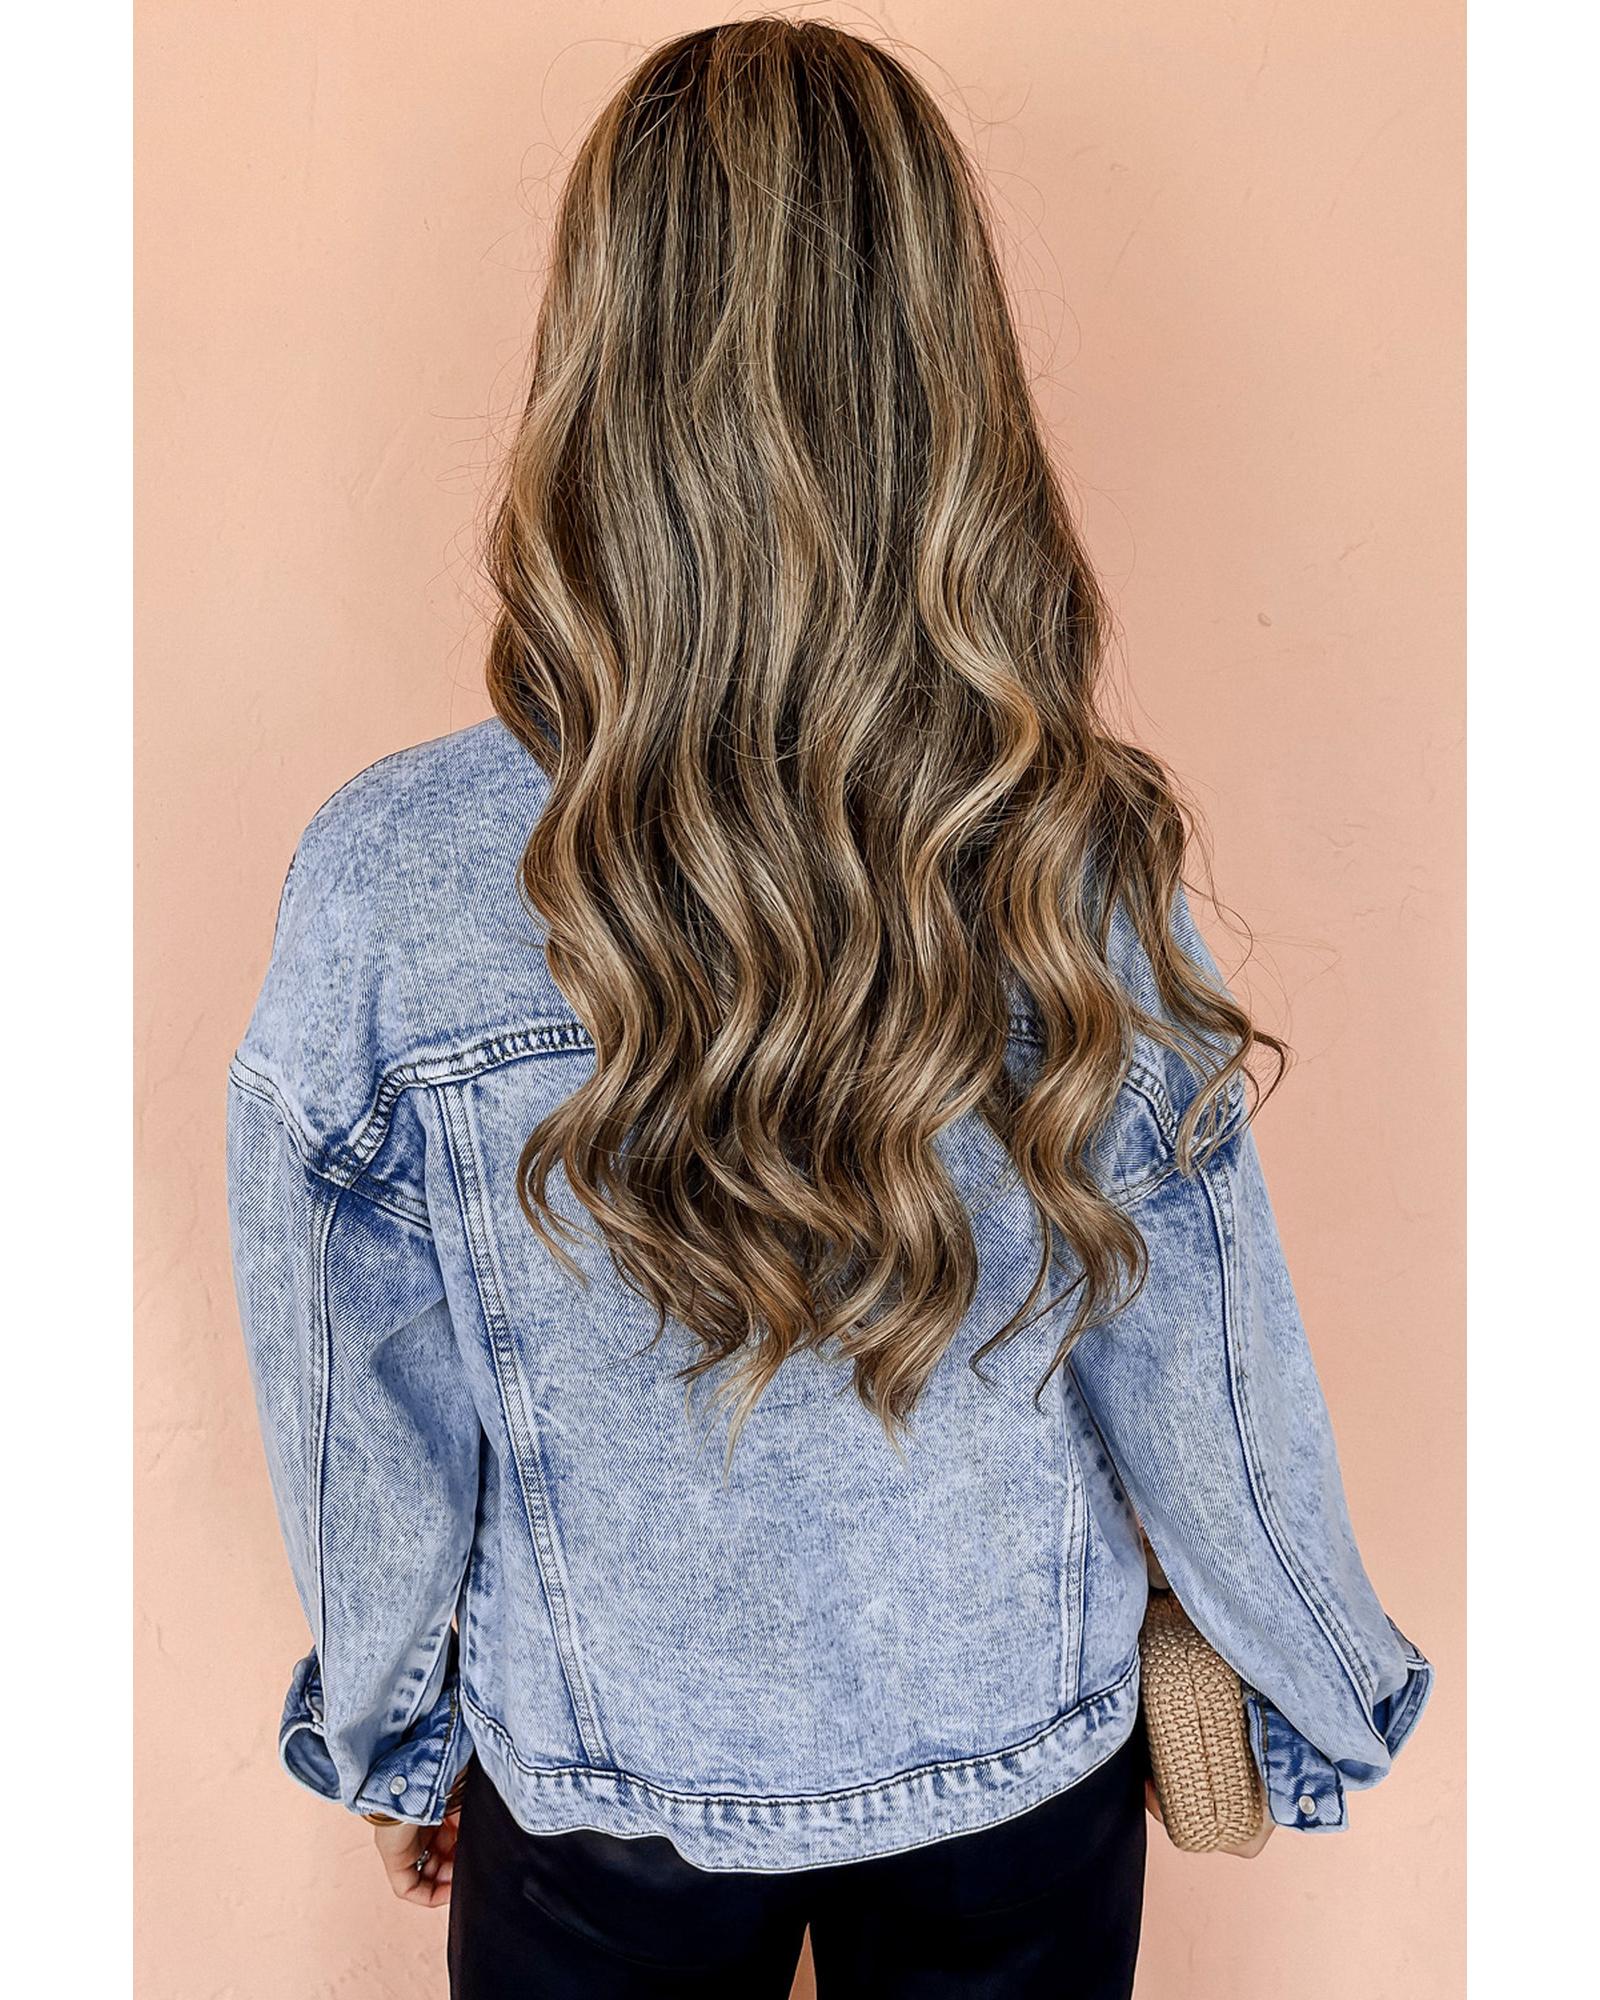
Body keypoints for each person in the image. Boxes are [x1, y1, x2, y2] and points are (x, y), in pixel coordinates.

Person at [224, 17, 1432, 1997]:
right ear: (946, 381)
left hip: (598, 1773)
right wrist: (1314, 1689)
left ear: (591, 367)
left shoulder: (391, 877)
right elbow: (1197, 1358)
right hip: (1016, 1755)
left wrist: (390, 1732)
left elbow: (360, 1404)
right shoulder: (1061, 841)